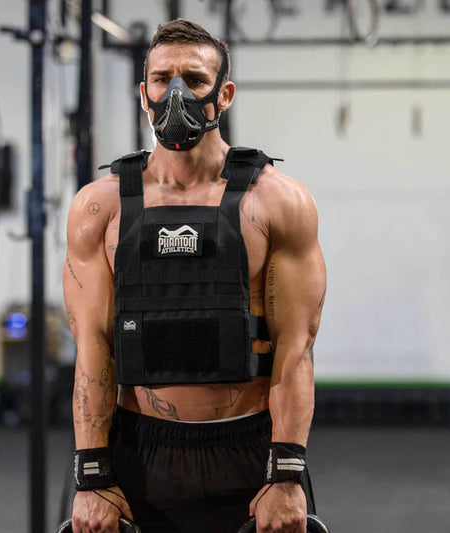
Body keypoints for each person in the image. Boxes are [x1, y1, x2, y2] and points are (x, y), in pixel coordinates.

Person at [63, 18, 326, 533]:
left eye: (195, 79)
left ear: (224, 94)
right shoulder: (100, 207)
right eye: (162, 79)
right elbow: (93, 346)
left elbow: (296, 348)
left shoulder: (278, 201)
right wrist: (92, 475)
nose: (176, 94)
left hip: (250, 450)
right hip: (139, 451)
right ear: (144, 93)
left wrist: (287, 472)